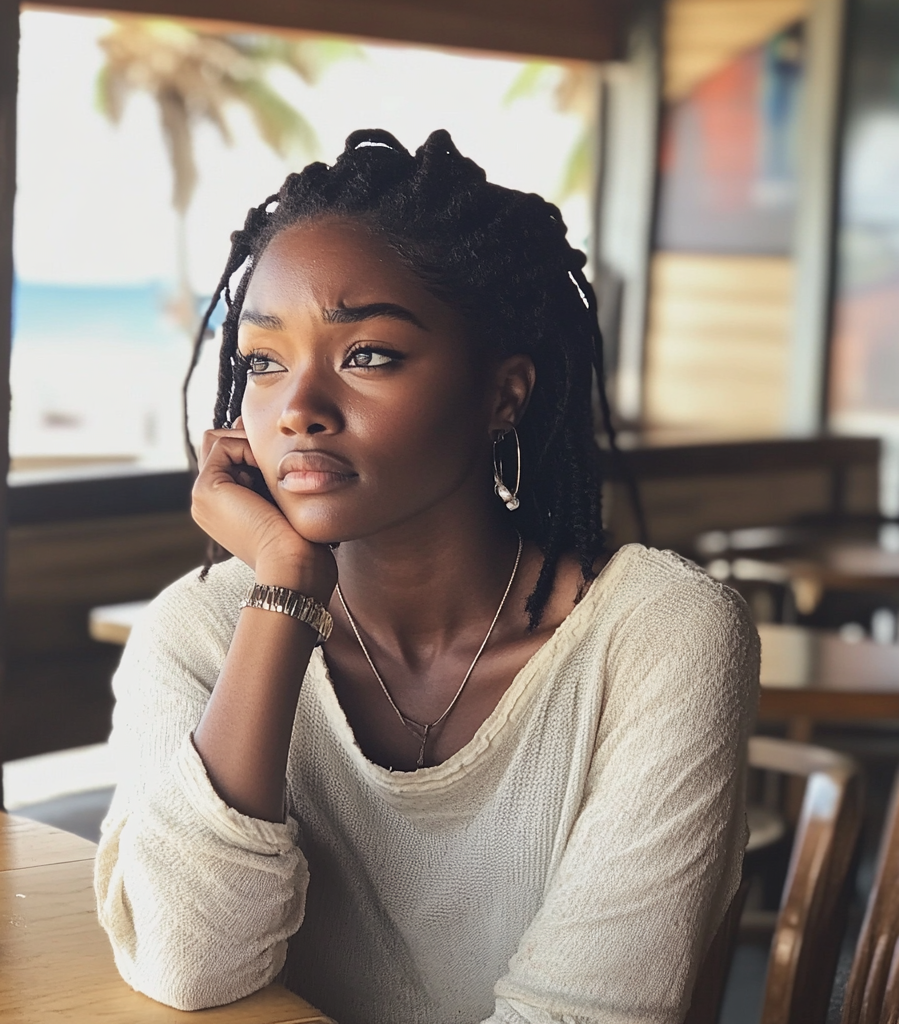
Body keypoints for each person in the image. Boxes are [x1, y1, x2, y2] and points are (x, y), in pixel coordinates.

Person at [95, 129, 760, 1024]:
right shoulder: (199, 634)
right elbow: (187, 964)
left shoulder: (660, 635)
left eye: (367, 354)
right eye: (262, 361)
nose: (297, 410)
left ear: (504, 395)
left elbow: (582, 1017)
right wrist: (287, 586)